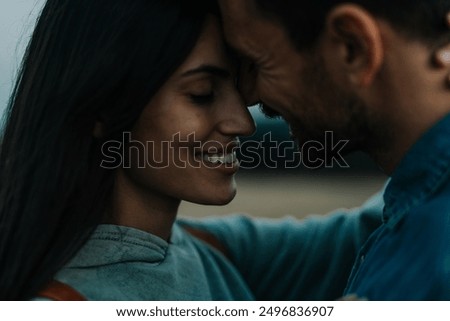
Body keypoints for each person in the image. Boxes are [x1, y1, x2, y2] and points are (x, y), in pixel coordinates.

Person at [0, 0, 385, 301]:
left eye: (237, 88)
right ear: (101, 106)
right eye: (202, 94)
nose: (243, 123)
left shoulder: (209, 252)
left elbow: (377, 226)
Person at [216, 0, 450, 299]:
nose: (247, 96)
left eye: (257, 63)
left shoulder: (423, 280)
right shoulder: (412, 204)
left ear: (352, 47)